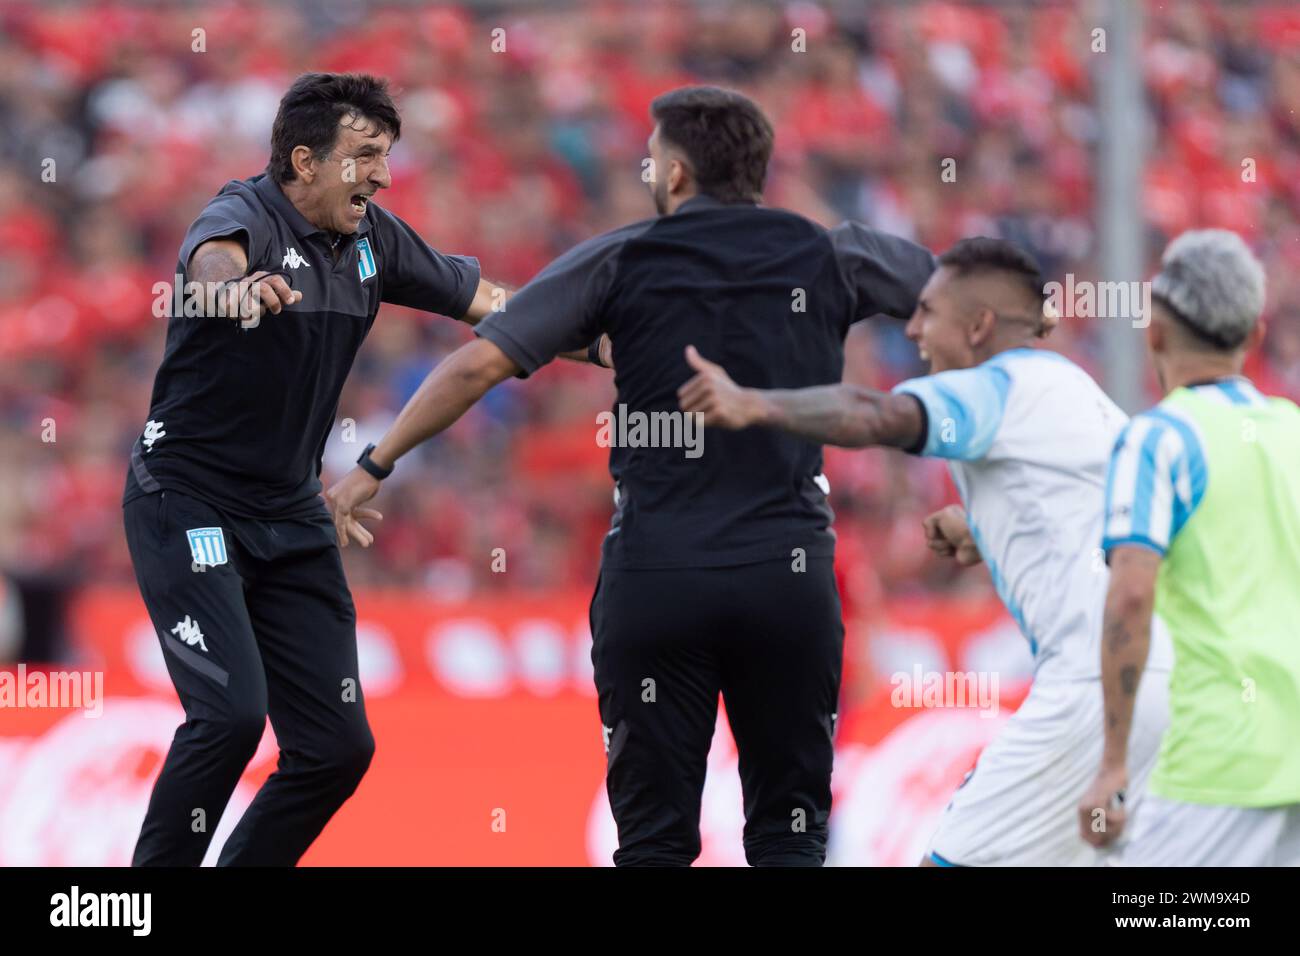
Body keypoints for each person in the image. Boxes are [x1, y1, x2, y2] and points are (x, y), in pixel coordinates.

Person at [325, 85, 935, 866]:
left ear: (676, 174)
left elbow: (480, 363)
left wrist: (374, 466)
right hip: (785, 576)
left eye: (652, 155)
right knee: (791, 838)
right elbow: (965, 301)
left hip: (658, 576)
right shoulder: (831, 253)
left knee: (652, 843)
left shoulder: (621, 258)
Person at [126, 72, 528, 866]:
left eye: (387, 156)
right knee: (231, 719)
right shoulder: (242, 216)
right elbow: (209, 267)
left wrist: (605, 338)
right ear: (304, 162)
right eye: (365, 156)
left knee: (337, 748)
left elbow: (495, 306)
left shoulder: (374, 237)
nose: (381, 175)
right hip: (190, 504)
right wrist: (233, 293)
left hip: (292, 514)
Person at [678, 237, 1173, 866]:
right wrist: (985, 530)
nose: (913, 328)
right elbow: (1106, 517)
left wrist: (754, 404)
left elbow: (876, 415)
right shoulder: (1076, 394)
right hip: (1161, 681)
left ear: (979, 326)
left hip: (1090, 686)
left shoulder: (995, 387)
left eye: (928, 313)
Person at [1079, 229, 1300, 866]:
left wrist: (1113, 766)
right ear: (1254, 336)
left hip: (1217, 764)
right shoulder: (1290, 432)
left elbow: (1130, 595)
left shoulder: (1159, 438)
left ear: (1154, 332)